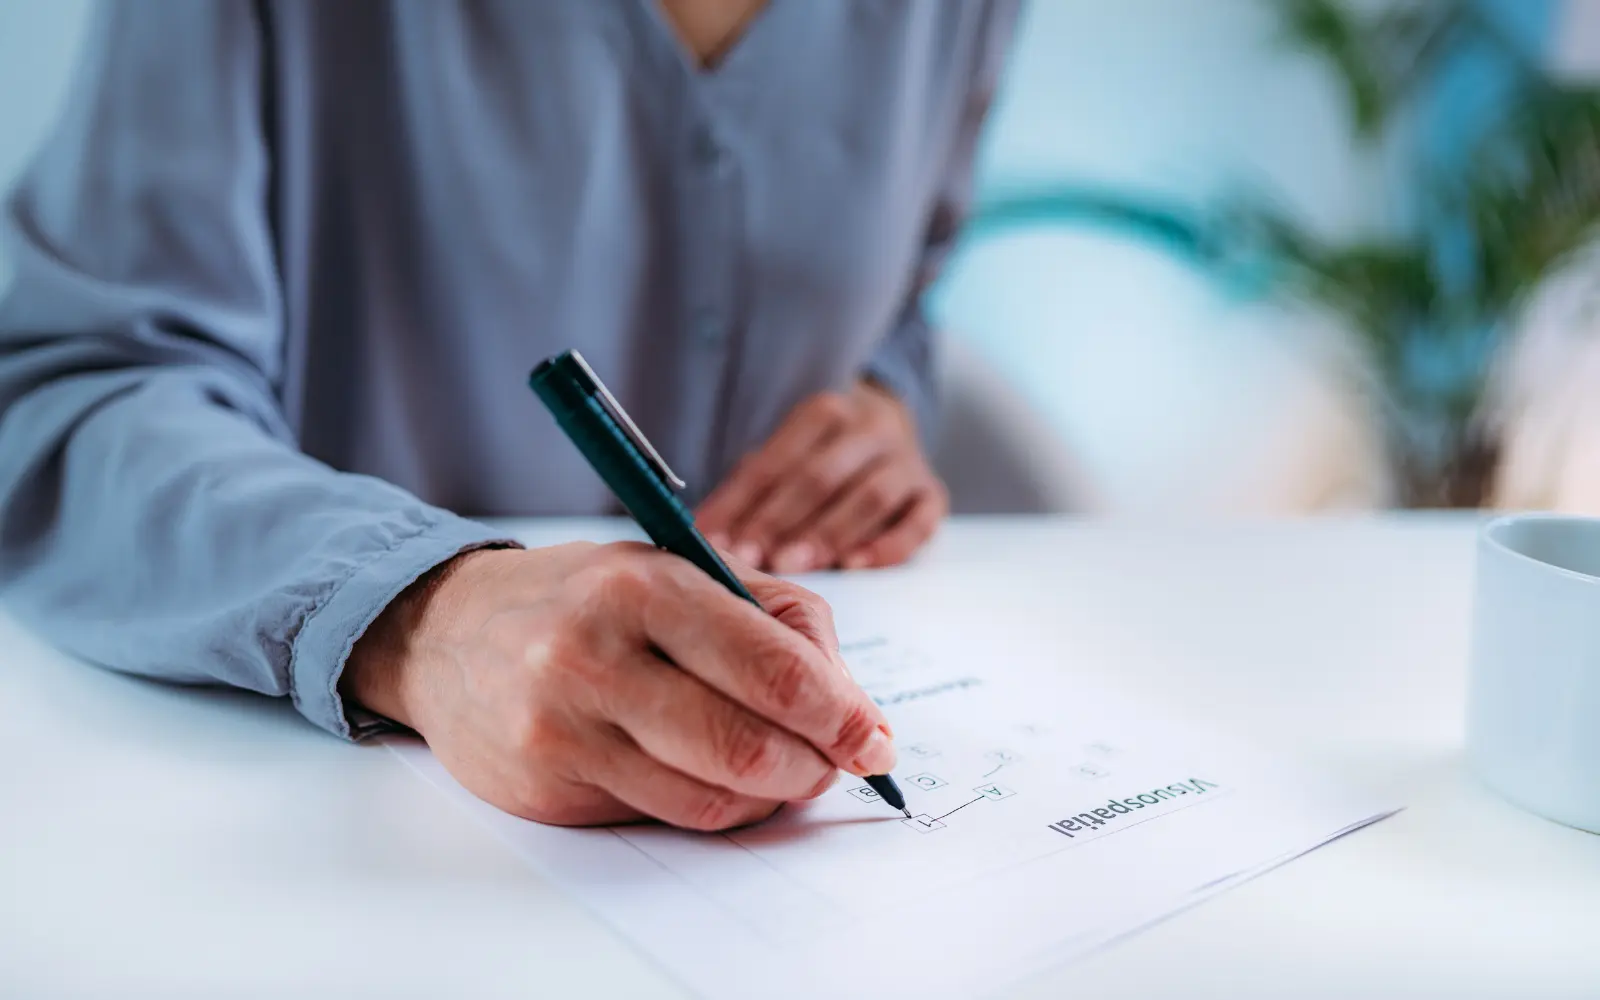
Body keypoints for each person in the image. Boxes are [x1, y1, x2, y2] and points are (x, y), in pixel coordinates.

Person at [0, 0, 1018, 830]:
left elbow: (903, 298)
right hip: (338, 829)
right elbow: (78, 385)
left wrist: (880, 403)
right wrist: (420, 616)